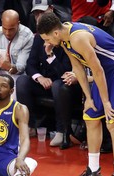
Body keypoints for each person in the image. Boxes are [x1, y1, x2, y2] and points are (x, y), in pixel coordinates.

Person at [37, 12, 114, 176]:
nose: (47, 43)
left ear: (56, 33)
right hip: (104, 73)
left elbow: (97, 69)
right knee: (90, 117)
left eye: (47, 38)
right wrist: (89, 98)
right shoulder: (64, 38)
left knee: (113, 121)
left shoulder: (78, 38)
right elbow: (78, 69)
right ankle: (93, 172)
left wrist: (106, 102)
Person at [16, 0, 73, 148]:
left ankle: (62, 131)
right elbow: (30, 65)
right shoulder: (37, 37)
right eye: (36, 14)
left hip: (63, 83)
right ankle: (30, 126)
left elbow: (65, 72)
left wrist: (50, 57)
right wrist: (39, 78)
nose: (39, 17)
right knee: (22, 81)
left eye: (42, 13)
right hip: (44, 82)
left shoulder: (66, 37)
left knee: (58, 85)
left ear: (51, 10)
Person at [0, 9, 34, 101]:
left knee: (17, 81)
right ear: (1, 23)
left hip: (16, 75)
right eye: (5, 28)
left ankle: (10, 113)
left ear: (18, 24)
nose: (7, 33)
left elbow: (21, 67)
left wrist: (9, 67)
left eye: (11, 29)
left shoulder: (27, 36)